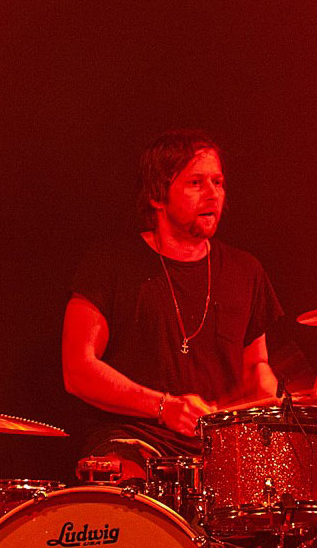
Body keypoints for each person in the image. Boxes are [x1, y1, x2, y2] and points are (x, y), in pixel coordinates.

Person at [62, 129, 281, 477]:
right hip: (134, 437)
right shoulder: (110, 265)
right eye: (196, 183)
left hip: (220, 446)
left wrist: (263, 385)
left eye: (218, 182)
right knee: (124, 487)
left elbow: (256, 363)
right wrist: (163, 407)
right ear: (157, 196)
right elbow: (77, 370)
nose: (213, 194)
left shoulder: (246, 270)